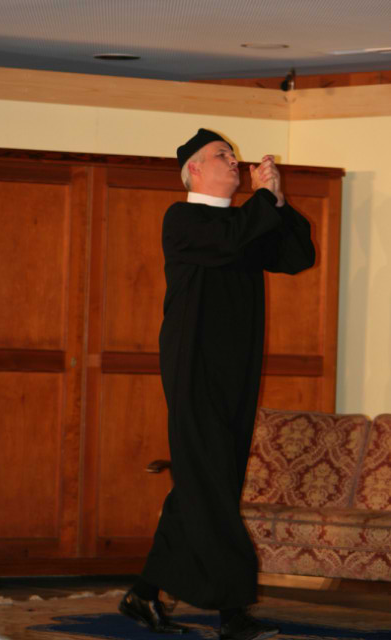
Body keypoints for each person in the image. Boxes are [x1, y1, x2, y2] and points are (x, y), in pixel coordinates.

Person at [119, 129, 315, 640]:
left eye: (233, 154)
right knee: (210, 480)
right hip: (196, 366)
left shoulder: (245, 223)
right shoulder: (184, 219)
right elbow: (231, 237)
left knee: (208, 480)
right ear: (194, 170)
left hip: (238, 367)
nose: (233, 160)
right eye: (221, 155)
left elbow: (297, 256)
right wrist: (264, 200)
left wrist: (279, 200)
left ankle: (143, 593)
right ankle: (232, 612)